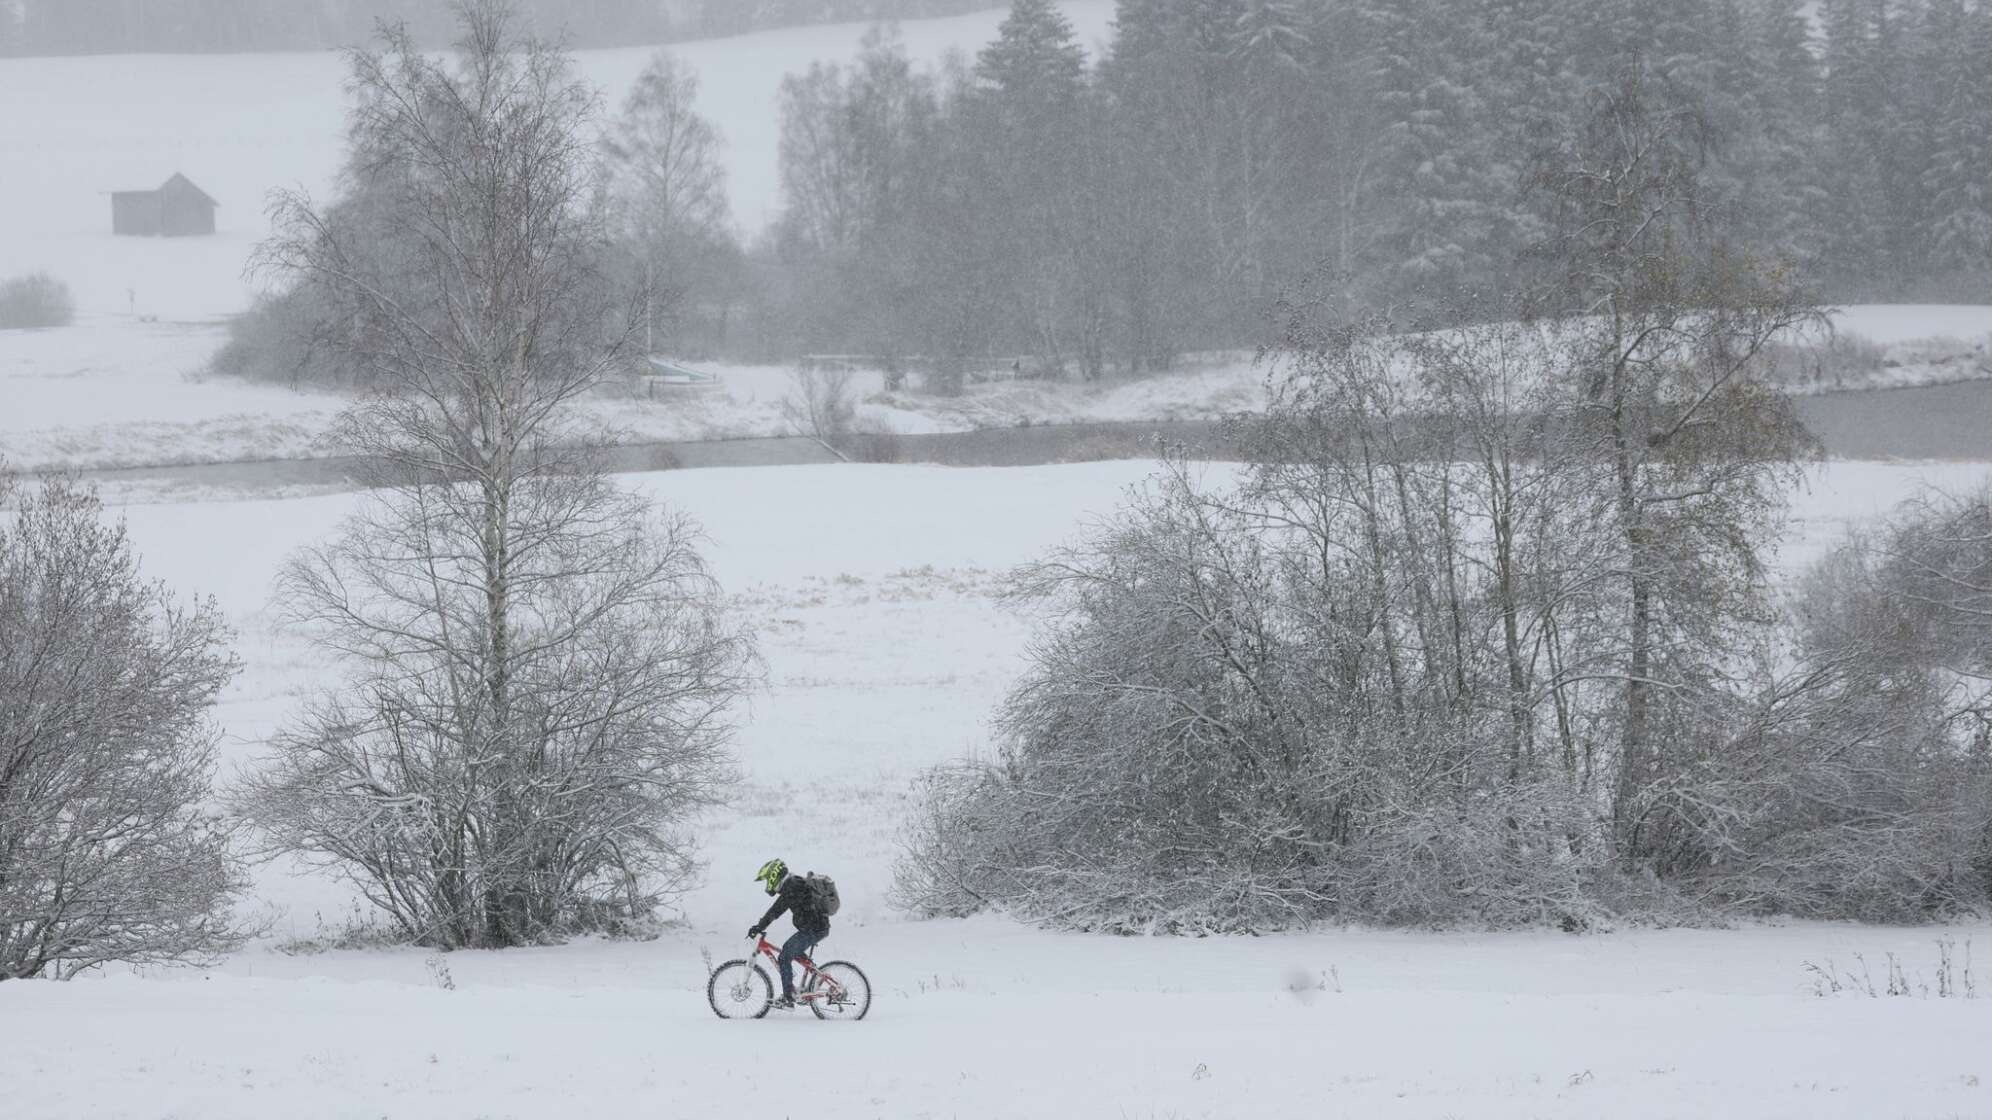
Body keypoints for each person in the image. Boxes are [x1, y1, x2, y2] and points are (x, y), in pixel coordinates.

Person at [747, 857, 830, 1010]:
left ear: (774, 875)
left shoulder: (792, 886)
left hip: (814, 929)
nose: (768, 885)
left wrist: (759, 927)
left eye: (767, 880)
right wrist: (760, 925)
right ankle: (813, 978)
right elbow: (777, 909)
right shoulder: (793, 883)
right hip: (815, 927)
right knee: (791, 951)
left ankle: (788, 998)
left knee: (784, 957)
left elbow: (776, 910)